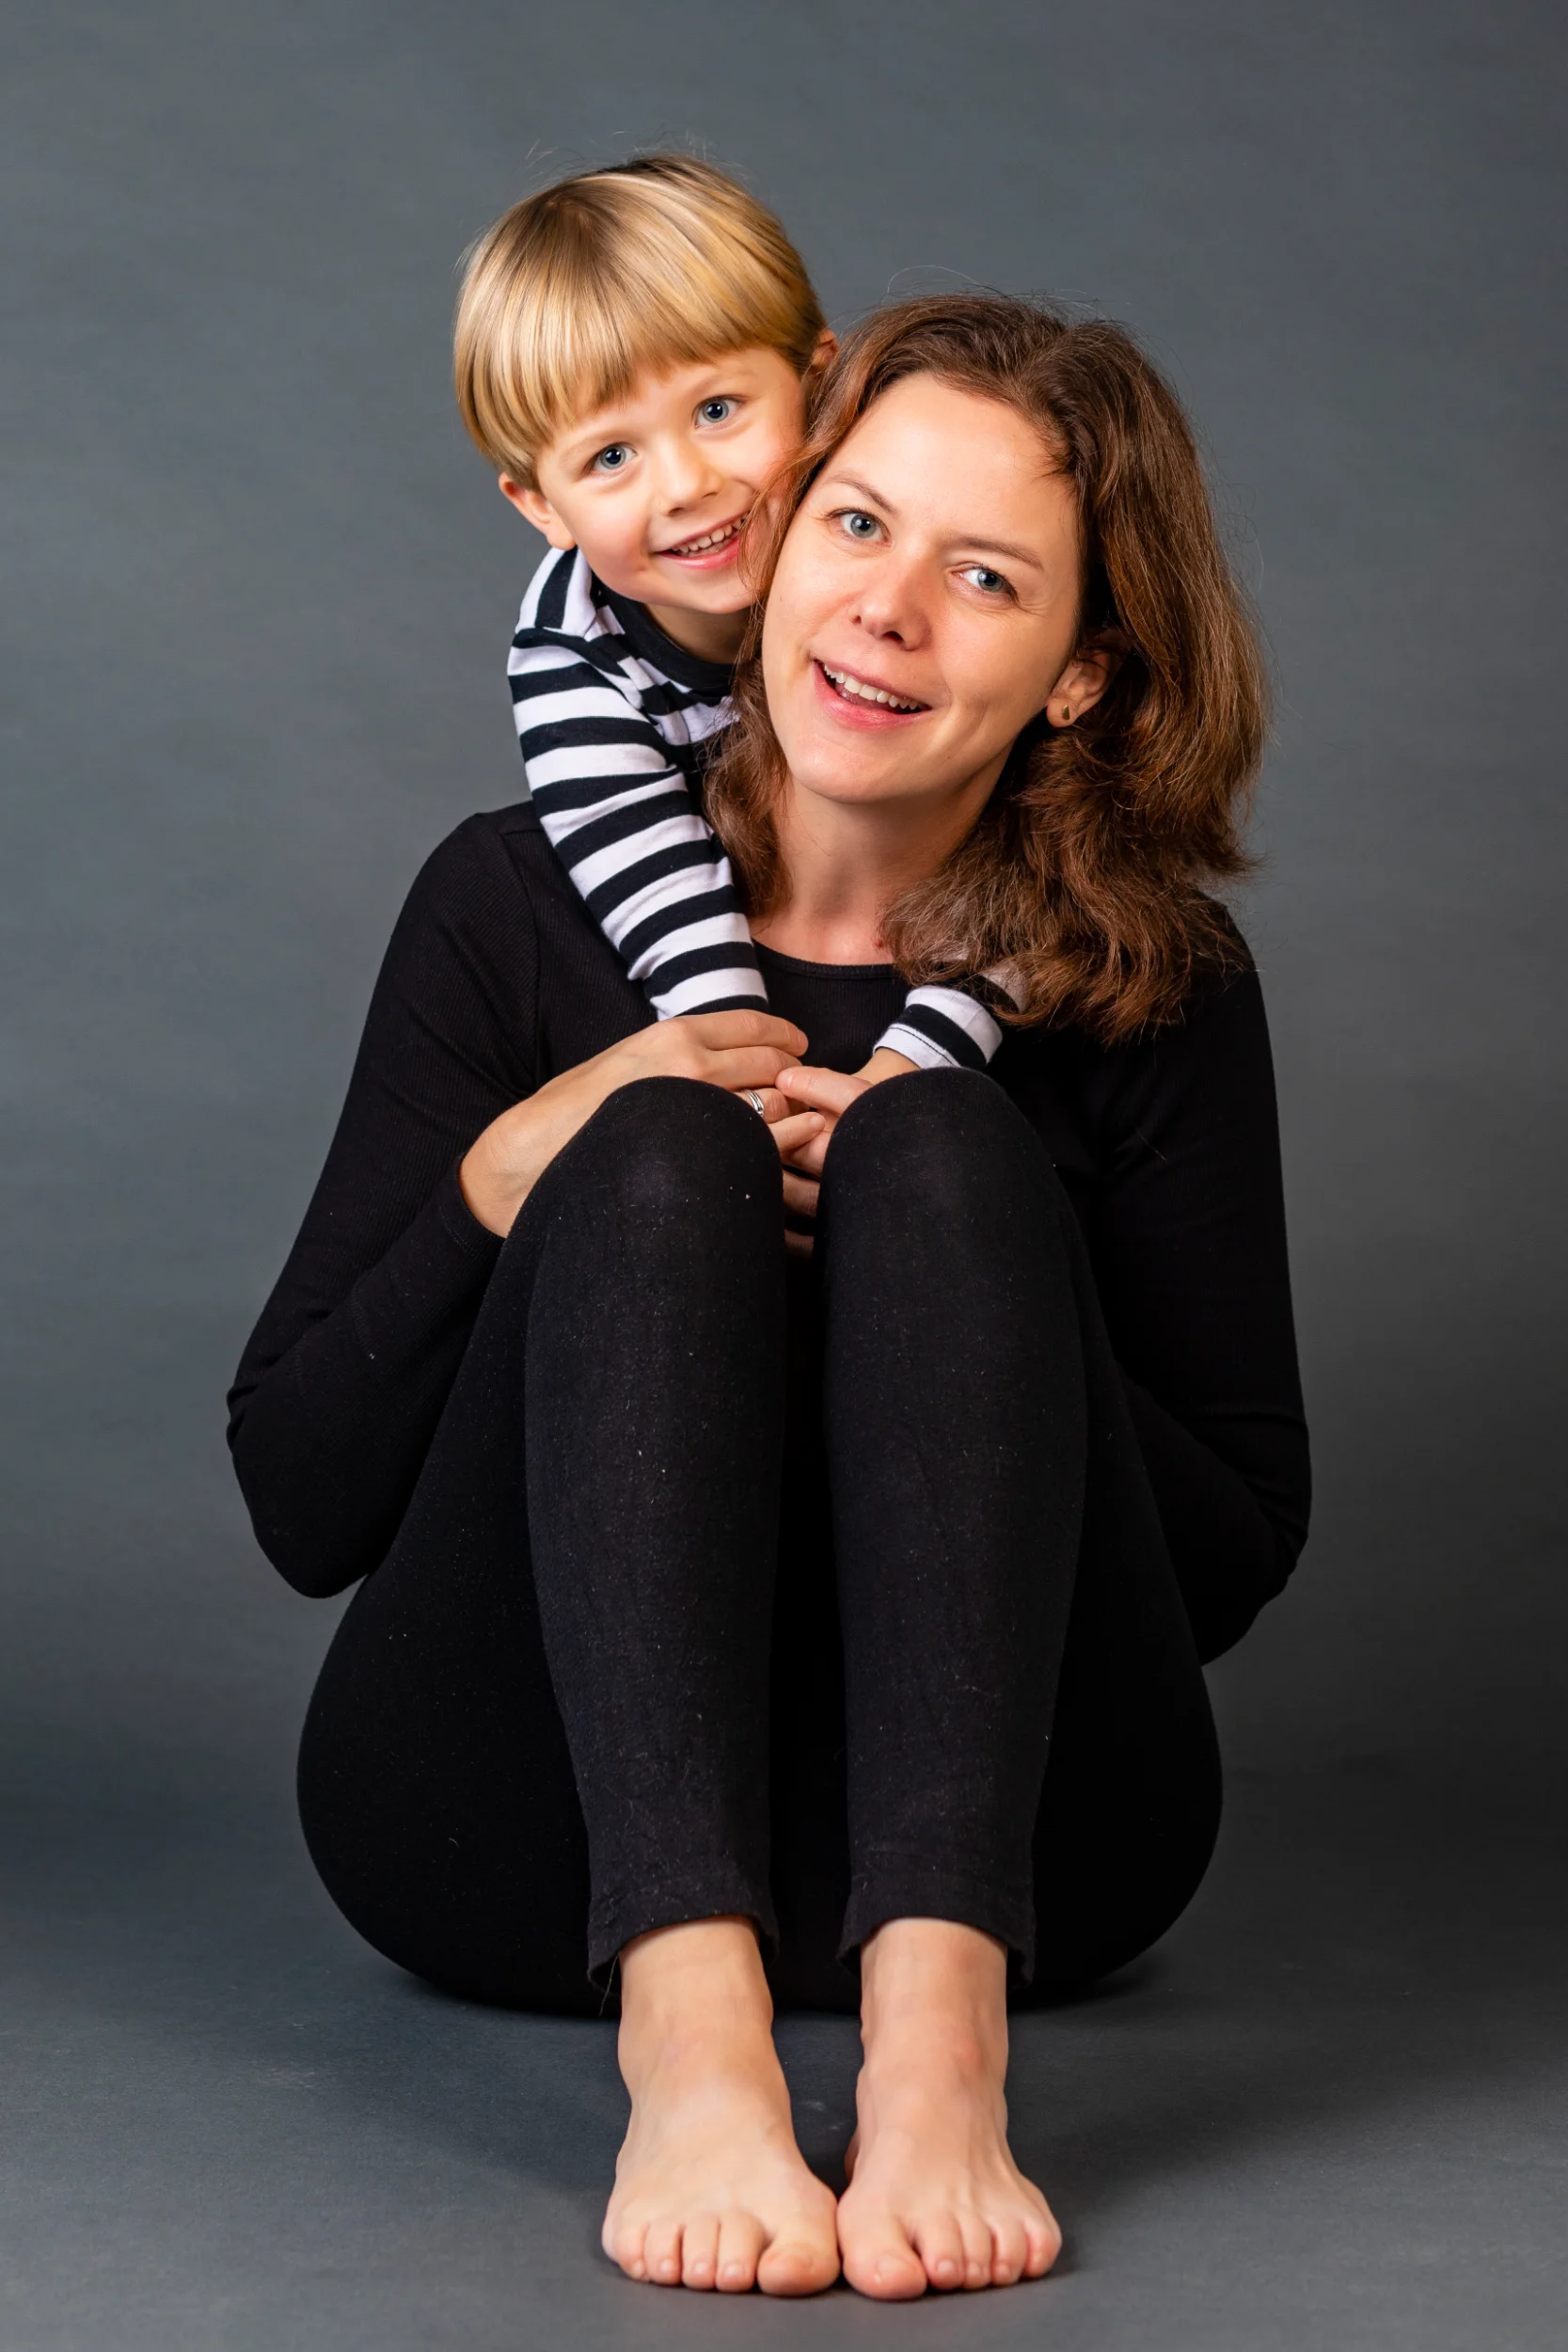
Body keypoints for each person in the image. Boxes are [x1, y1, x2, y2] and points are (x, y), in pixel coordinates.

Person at [228, 292, 1309, 2302]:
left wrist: (956, 1256)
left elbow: (1234, 1548)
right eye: (857, 525)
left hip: (1021, 1845)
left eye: (981, 576)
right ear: (781, 538)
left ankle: (933, 2043)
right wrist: (516, 1167)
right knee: (654, 1146)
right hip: (523, 1833)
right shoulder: (515, 898)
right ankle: (689, 2026)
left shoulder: (1147, 984)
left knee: (935, 1145)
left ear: (1076, 673)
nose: (887, 610)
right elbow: (303, 1497)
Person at [455, 152, 1013, 1074]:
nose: (686, 484)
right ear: (540, 506)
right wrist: (756, 1098)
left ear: (816, 384)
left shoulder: (899, 606)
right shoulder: (575, 661)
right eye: (608, 458)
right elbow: (678, 930)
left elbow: (1047, 850)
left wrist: (908, 1071)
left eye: (716, 408)